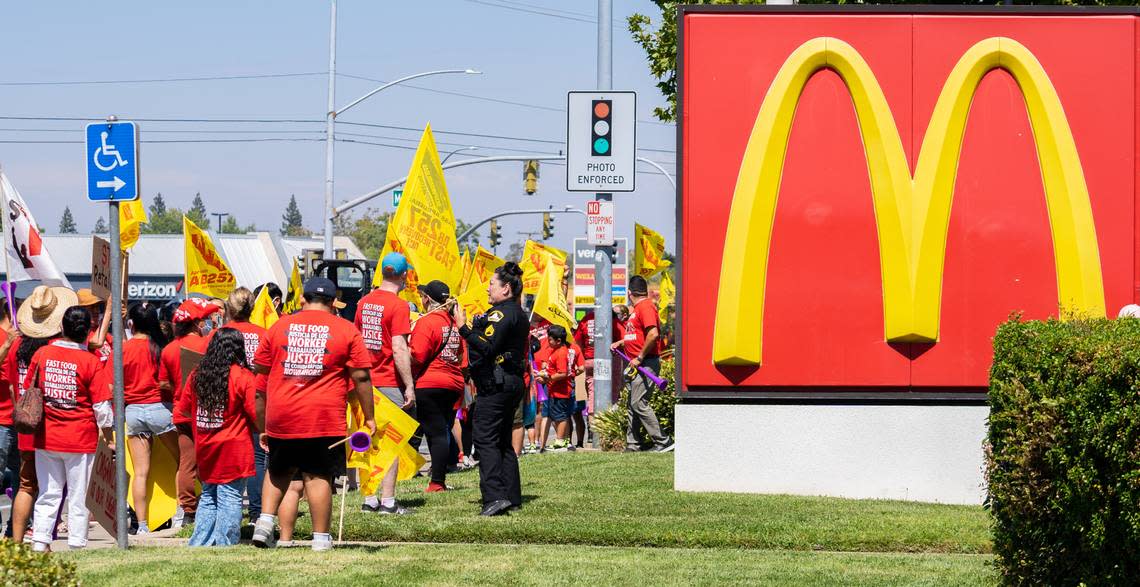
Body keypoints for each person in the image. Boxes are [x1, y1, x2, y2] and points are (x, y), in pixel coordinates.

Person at [252, 277, 375, 551]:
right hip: (323, 416)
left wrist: (262, 423)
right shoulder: (346, 329)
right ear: (332, 303)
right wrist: (369, 416)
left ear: (304, 300)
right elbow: (362, 377)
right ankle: (320, 539)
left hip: (281, 413)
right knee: (318, 476)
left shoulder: (277, 327)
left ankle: (264, 522)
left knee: (278, 470)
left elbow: (259, 376)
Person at [24, 305, 113, 552]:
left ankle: (40, 541)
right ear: (87, 332)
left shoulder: (41, 354)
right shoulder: (90, 361)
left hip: (46, 437)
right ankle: (76, 543)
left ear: (61, 327)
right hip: (81, 440)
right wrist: (109, 437)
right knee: (78, 495)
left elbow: (27, 390)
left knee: (48, 493)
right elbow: (102, 408)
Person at [452, 262, 529, 516]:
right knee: (503, 440)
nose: (487, 290)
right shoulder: (516, 312)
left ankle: (494, 496)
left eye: (492, 285)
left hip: (497, 384)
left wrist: (463, 328)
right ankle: (511, 495)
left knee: (485, 439)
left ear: (506, 288)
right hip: (510, 382)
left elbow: (486, 347)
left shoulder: (502, 314)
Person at [177, 328, 260, 546]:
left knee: (208, 495)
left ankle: (200, 542)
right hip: (234, 446)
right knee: (230, 496)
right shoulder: (243, 377)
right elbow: (255, 413)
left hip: (205, 443)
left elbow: (185, 409)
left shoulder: (197, 374)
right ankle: (225, 543)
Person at [353, 252, 416, 515]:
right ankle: (388, 501)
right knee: (390, 441)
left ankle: (369, 499)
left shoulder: (363, 302)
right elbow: (399, 347)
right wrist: (409, 385)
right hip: (388, 380)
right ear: (403, 276)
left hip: (363, 381)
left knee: (365, 439)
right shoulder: (399, 305)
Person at [6, 286, 69, 542]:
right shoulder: (54, 350)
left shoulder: (14, 347)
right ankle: (44, 539)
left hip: (25, 425)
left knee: (26, 485)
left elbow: (12, 388)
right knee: (51, 489)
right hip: (51, 429)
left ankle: (17, 540)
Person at [160, 297, 221, 526]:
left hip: (181, 411)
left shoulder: (168, 350)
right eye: (204, 320)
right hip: (206, 411)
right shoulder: (207, 344)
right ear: (197, 323)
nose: (207, 323)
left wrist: (181, 386)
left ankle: (188, 511)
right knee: (211, 461)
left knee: (187, 462)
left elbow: (163, 383)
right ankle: (211, 503)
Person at [122, 302, 178, 535]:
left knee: (140, 472)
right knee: (183, 462)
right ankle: (181, 515)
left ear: (131, 324)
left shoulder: (123, 349)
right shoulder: (161, 347)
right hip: (160, 408)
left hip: (133, 411)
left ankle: (142, 525)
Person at [409, 280, 467, 492]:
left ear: (426, 299)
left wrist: (398, 352)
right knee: (442, 430)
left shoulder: (428, 322)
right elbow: (460, 354)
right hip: (453, 384)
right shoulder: (453, 322)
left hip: (430, 383)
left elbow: (418, 355)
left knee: (436, 434)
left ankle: (437, 482)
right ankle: (439, 478)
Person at [222, 287, 269, 522]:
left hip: (226, 399)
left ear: (229, 307)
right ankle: (257, 512)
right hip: (257, 397)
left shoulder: (221, 333)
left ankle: (227, 508)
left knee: (227, 457)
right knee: (258, 458)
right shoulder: (263, 334)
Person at [614, 276, 674, 453]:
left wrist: (639, 357)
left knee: (639, 403)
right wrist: (622, 343)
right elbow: (639, 335)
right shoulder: (638, 308)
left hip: (645, 363)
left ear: (629, 293)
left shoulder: (646, 306)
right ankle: (633, 444)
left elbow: (653, 334)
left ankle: (664, 441)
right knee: (633, 404)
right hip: (637, 364)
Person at [538, 325, 575, 452]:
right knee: (556, 415)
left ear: (558, 341)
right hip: (554, 390)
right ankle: (562, 440)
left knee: (561, 416)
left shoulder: (561, 352)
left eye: (550, 340)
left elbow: (563, 373)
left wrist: (548, 377)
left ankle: (560, 441)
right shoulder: (556, 351)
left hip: (561, 390)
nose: (548, 343)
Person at [75, 289, 111, 364]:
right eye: (91, 307)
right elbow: (96, 342)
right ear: (81, 310)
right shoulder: (79, 332)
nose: (96, 311)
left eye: (97, 307)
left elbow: (123, 346)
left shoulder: (98, 329)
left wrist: (120, 319)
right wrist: (108, 311)